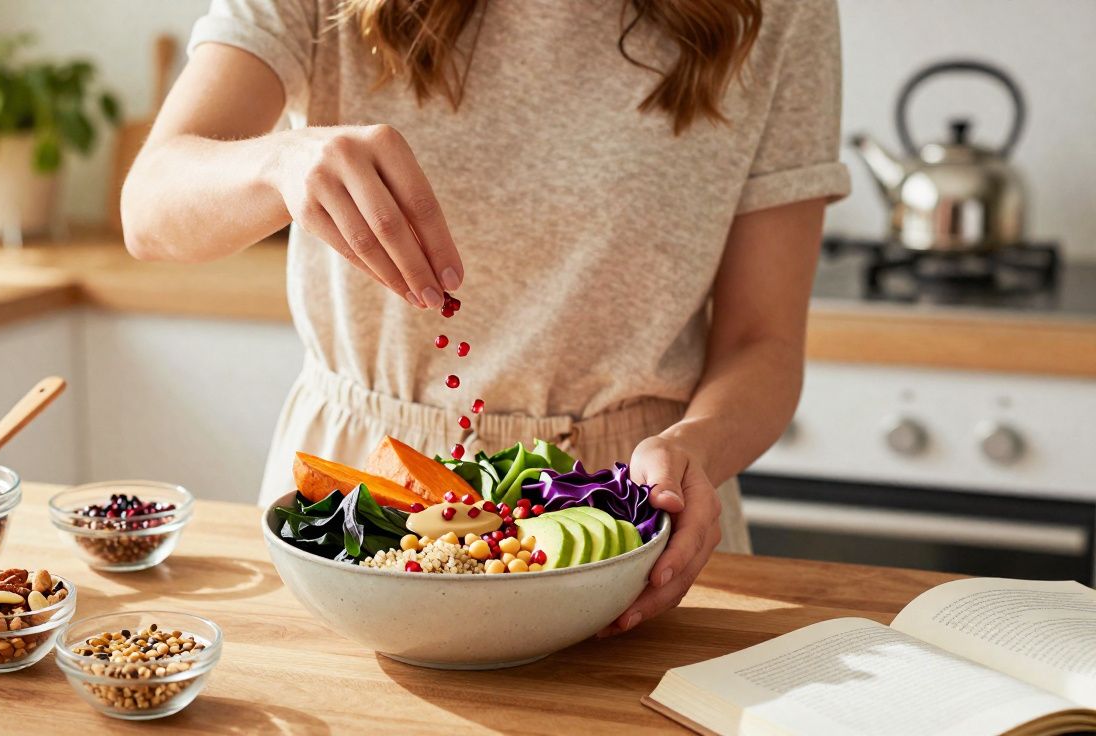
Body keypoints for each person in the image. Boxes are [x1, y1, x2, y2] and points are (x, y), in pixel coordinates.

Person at [121, 0, 849, 635]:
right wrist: (279, 164)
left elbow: (765, 339)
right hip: (360, 497)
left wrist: (697, 449)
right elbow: (150, 210)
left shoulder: (778, 10)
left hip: (636, 514)